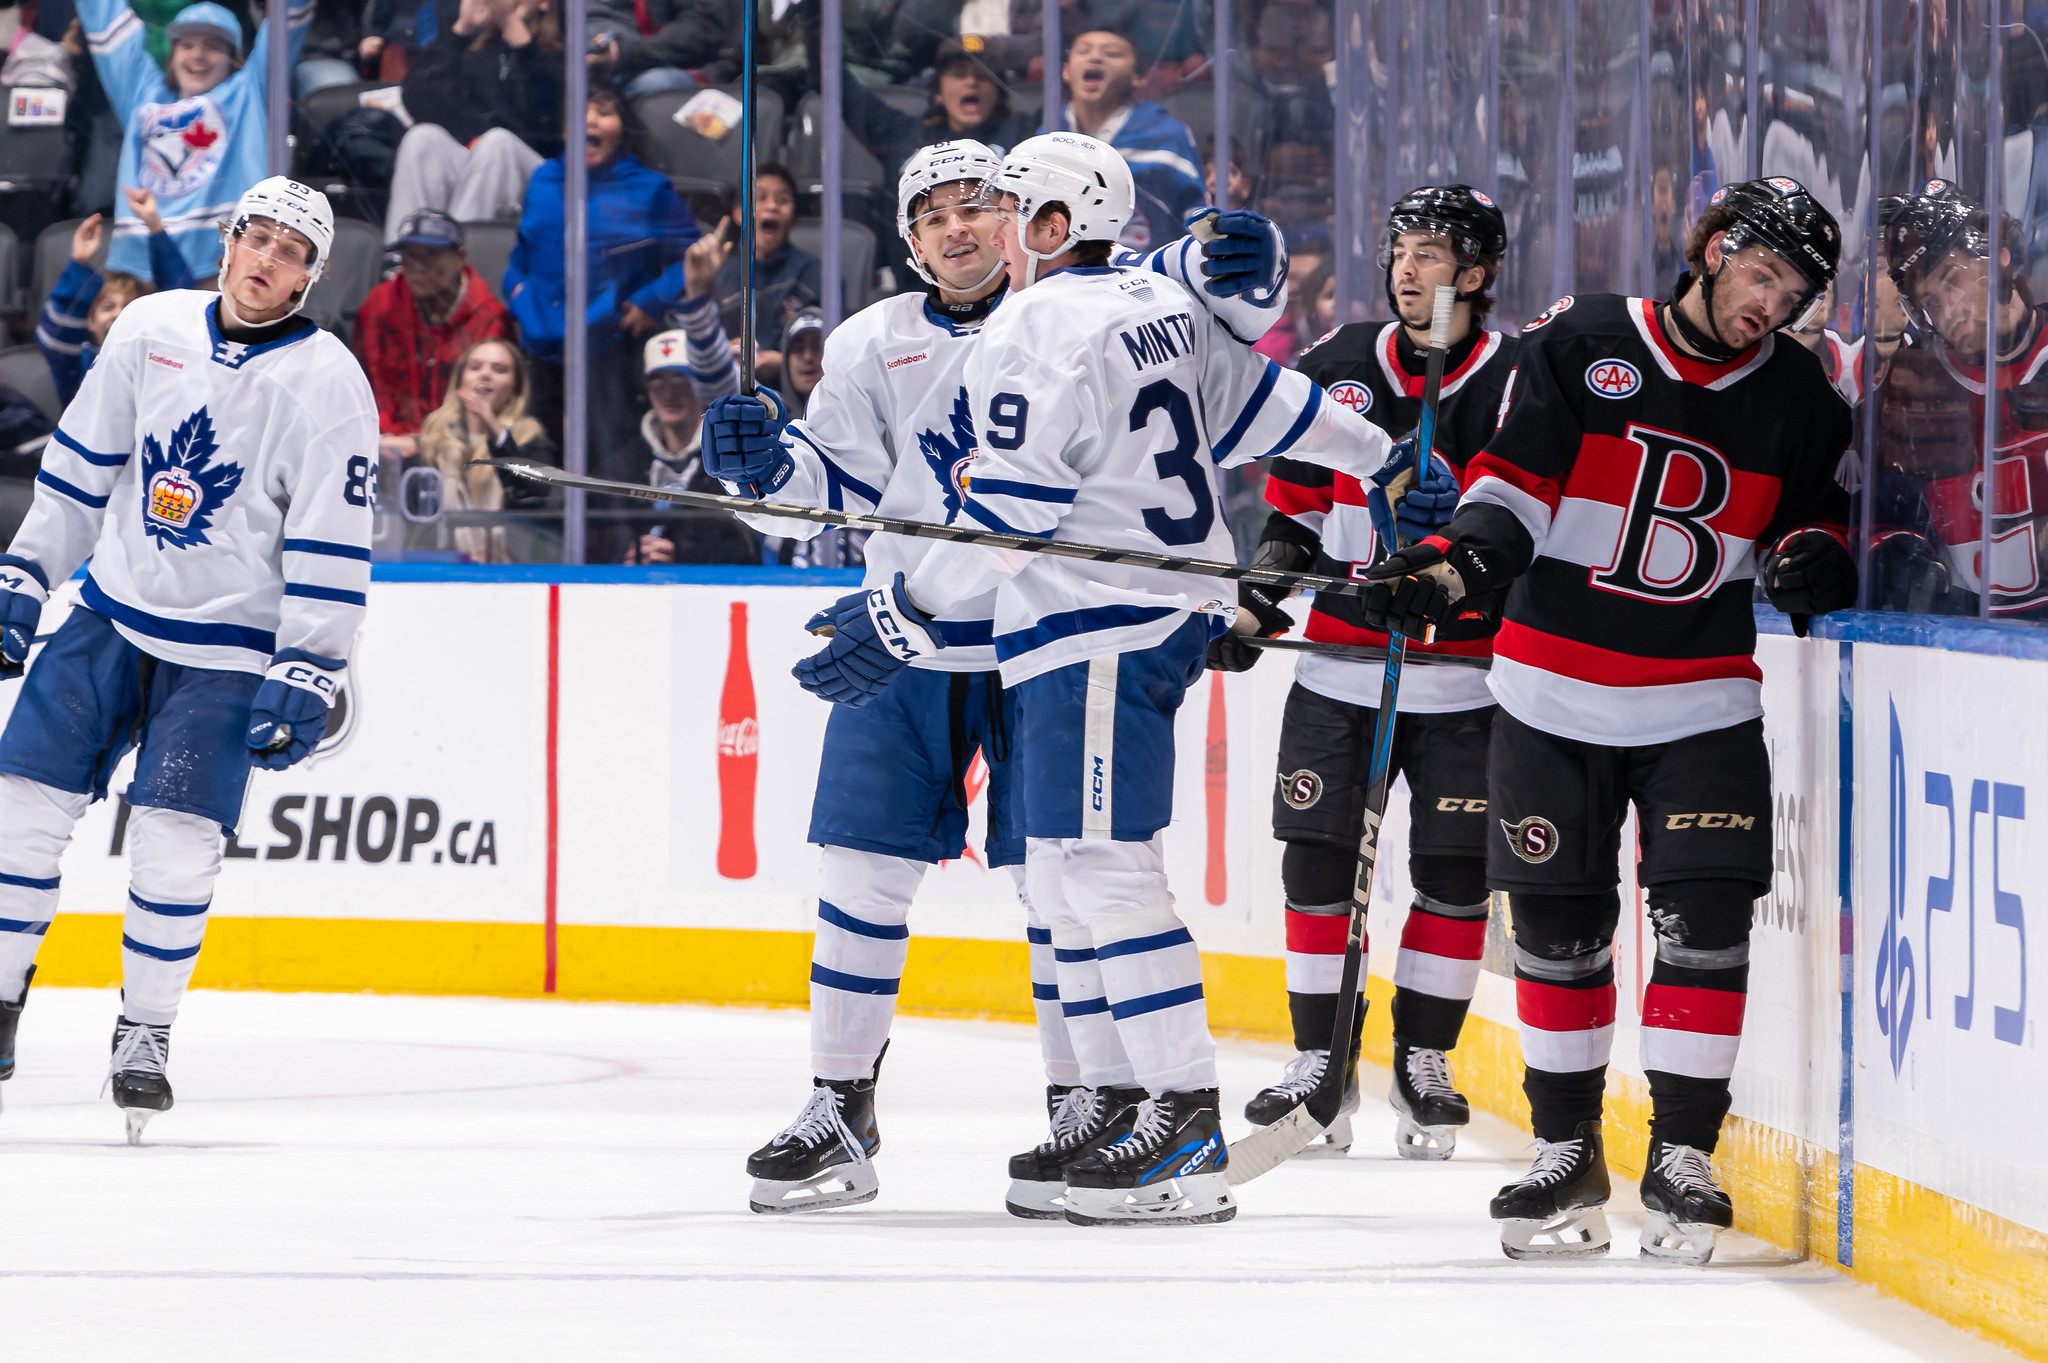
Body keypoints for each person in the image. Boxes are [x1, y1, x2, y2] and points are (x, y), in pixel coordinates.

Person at [761, 133, 1388, 1227]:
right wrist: (1389, 463)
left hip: (1089, 626)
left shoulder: (1033, 330)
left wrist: (903, 615)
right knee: (1057, 871)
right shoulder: (1155, 303)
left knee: (1096, 870)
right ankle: (1105, 1103)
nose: (983, 229)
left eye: (1002, 207)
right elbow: (1275, 409)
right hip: (1108, 624)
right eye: (962, 211)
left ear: (1049, 226)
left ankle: (1179, 1119)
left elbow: (1007, 524)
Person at [1358, 176, 1858, 1264]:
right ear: (1713, 249)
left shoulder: (1804, 402)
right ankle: (1564, 1149)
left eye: (1797, 290)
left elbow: (1817, 516)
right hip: (1547, 700)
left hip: (1702, 701)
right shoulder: (1583, 341)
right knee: (1558, 936)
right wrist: (1462, 567)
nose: (1771, 304)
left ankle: (1682, 1151)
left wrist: (1822, 550)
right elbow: (1512, 484)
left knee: (1703, 931)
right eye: (1762, 274)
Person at [0, 177, 377, 1140]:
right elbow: (83, 470)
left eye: (292, 251)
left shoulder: (331, 382)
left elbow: (332, 539)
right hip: (110, 619)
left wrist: (309, 662)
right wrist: (27, 569)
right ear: (227, 239)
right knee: (16, 817)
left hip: (226, 652)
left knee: (175, 846)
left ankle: (144, 1032)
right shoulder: (150, 327)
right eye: (257, 237)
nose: (267, 259)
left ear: (312, 274)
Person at [1220, 185, 1517, 1163]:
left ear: (1474, 273)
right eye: (1398, 248)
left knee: (1451, 876)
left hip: (1468, 684)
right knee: (1315, 865)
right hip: (1340, 672)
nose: (1406, 268)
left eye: (1430, 253)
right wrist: (1258, 605)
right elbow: (1297, 514)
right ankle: (1320, 1063)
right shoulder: (1338, 365)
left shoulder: (1517, 380)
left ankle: (1423, 1060)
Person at [505, 87, 699, 559]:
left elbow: (692, 257)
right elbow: (519, 260)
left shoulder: (647, 188)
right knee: (533, 465)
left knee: (605, 471)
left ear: (623, 129)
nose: (590, 121)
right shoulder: (544, 180)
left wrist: (652, 297)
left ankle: (615, 562)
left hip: (607, 353)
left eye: (604, 112)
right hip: (539, 352)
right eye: (581, 111)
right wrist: (519, 299)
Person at [1879, 180, 2048, 620]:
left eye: (1953, 281)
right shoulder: (1914, 385)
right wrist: (1899, 556)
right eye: (1930, 301)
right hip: (1972, 657)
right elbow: (1881, 518)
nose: (1948, 311)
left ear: (2002, 258)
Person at [80, 0, 313, 279]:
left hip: (221, 267)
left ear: (232, 57)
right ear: (172, 54)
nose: (197, 55)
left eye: (212, 46)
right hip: (141, 269)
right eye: (186, 45)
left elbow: (286, 23)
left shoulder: (249, 92)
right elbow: (103, 19)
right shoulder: (142, 94)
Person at [621, 224, 752, 567]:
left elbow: (746, 547)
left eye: (681, 380)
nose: (669, 393)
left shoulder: (729, 459)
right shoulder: (622, 465)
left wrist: (696, 294)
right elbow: (594, 542)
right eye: (659, 382)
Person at [385, 0, 565, 243]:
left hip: (541, 172)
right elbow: (419, 102)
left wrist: (514, 28)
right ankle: (401, 254)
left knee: (498, 143)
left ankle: (455, 254)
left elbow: (549, 117)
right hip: (479, 164)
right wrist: (461, 30)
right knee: (423, 137)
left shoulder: (560, 56)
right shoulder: (476, 52)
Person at [355, 210, 515, 451]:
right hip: (384, 447)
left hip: (462, 450)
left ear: (460, 257)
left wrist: (427, 443)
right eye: (409, 257)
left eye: (430, 256)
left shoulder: (490, 318)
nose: (418, 268)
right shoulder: (379, 305)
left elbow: (497, 407)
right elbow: (358, 384)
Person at [36, 190, 200, 405]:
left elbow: (181, 304)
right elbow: (55, 339)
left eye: (129, 307)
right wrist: (78, 262)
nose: (118, 314)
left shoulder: (158, 361)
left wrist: (156, 228)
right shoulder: (79, 363)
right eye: (107, 307)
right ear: (91, 322)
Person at [1047, 30, 1205, 251]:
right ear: (1065, 70)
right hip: (1063, 275)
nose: (1095, 57)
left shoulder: (1167, 135)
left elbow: (1196, 214)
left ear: (1138, 76)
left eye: (1112, 53)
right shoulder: (1046, 136)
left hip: (1150, 274)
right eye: (1083, 51)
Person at [411, 337, 559, 562]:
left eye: (499, 369)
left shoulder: (531, 442)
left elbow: (534, 497)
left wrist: (495, 432)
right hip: (444, 573)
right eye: (475, 367)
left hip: (509, 573)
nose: (485, 374)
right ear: (460, 381)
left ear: (515, 390)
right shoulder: (434, 443)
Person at [713, 164, 820, 388]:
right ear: (738, 213)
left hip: (795, 396)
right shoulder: (718, 271)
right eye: (759, 198)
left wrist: (784, 363)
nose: (771, 206)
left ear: (794, 219)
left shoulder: (815, 274)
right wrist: (724, 353)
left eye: (782, 200)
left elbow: (834, 349)